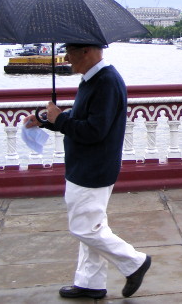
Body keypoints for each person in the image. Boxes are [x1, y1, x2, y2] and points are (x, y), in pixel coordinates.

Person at [23, 43, 151, 299]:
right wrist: (49, 120)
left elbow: (94, 130)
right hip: (88, 164)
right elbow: (82, 116)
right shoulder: (95, 79)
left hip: (93, 167)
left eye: (70, 51)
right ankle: (90, 282)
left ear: (86, 51)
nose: (67, 57)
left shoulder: (105, 82)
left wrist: (60, 120)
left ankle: (134, 262)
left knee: (85, 228)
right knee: (92, 225)